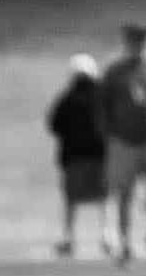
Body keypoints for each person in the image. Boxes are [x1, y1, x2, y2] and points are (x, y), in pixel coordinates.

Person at [94, 23, 146, 262]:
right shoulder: (115, 72)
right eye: (134, 42)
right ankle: (125, 240)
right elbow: (103, 105)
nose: (138, 47)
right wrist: (108, 133)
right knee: (124, 193)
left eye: (143, 42)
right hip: (123, 141)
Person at [45, 55, 110, 257]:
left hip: (76, 156)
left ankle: (71, 238)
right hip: (98, 155)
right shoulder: (101, 96)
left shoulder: (68, 98)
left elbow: (54, 125)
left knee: (74, 199)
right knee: (101, 198)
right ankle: (105, 237)